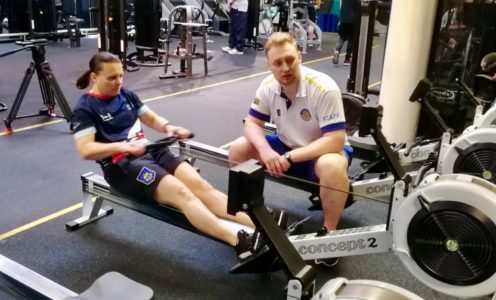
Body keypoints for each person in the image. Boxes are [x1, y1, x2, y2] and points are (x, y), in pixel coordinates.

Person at [71, 51, 255, 258]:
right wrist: (123, 147)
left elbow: (151, 119)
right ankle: (238, 240)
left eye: (121, 76)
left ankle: (260, 225)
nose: (119, 82)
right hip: (121, 166)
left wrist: (170, 128)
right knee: (183, 194)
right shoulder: (84, 108)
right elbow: (86, 150)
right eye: (112, 78)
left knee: (201, 187)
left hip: (150, 151)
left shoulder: (127, 95)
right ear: (94, 77)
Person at [228, 32, 352, 267]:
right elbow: (252, 123)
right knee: (239, 149)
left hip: (320, 152)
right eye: (277, 63)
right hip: (285, 144)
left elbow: (335, 140)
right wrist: (265, 151)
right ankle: (252, 221)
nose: (285, 68)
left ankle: (330, 236)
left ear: (299, 57)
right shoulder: (268, 86)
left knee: (332, 165)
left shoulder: (324, 88)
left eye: (289, 60)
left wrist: (289, 156)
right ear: (269, 65)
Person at [332, 0, 359, 66]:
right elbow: (359, 9)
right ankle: (347, 59)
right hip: (353, 21)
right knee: (351, 40)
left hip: (343, 20)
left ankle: (336, 51)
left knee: (341, 38)